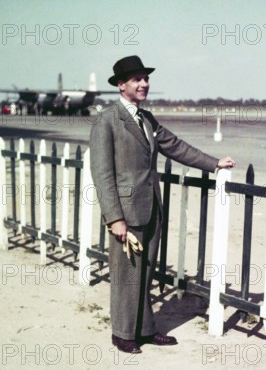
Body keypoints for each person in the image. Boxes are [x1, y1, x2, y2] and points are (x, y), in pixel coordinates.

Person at [89, 55, 235, 354]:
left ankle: (143, 329)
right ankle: (122, 334)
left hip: (151, 207)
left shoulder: (147, 119)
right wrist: (114, 217)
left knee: (144, 272)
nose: (144, 84)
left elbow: (175, 146)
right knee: (126, 274)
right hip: (126, 213)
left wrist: (214, 163)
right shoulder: (107, 120)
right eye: (137, 79)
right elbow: (102, 174)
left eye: (146, 78)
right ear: (121, 85)